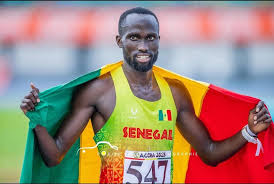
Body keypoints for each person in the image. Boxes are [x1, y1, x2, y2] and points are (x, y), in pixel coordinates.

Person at [20, 7, 272, 183]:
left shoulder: (175, 93)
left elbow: (208, 152)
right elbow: (55, 155)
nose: (143, 46)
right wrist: (37, 119)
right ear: (119, 41)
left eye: (150, 38)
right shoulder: (100, 91)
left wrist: (248, 131)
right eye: (134, 37)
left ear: (159, 40)